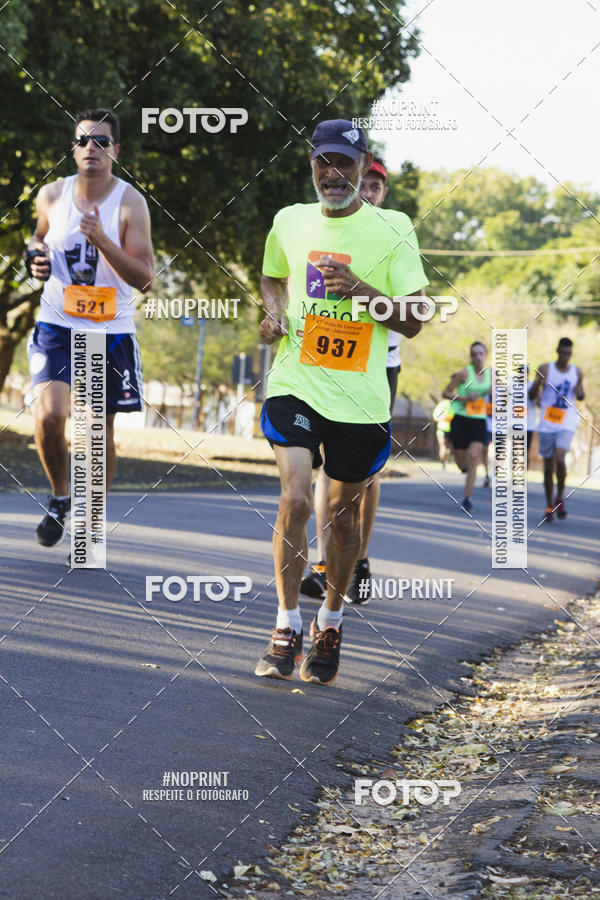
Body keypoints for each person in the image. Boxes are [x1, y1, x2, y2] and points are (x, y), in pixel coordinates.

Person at [255, 119, 428, 684]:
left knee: (341, 517)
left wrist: (362, 291)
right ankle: (285, 624)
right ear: (310, 163)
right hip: (296, 381)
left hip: (360, 398)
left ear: (363, 165)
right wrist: (275, 312)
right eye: (323, 163)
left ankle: (329, 622)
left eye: (344, 164)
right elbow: (272, 276)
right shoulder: (288, 219)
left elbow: (417, 318)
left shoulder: (393, 228)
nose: (332, 174)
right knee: (297, 499)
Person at [26, 108, 154, 550]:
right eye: (83, 141)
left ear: (115, 151)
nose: (90, 149)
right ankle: (61, 495)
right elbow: (38, 237)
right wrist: (35, 256)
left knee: (98, 436)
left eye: (100, 142)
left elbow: (145, 277)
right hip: (57, 323)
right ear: (73, 149)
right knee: (49, 417)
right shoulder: (51, 195)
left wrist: (103, 240)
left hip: (110, 330)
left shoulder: (130, 203)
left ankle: (91, 521)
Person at [299, 156, 400, 606]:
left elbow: (411, 307)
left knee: (366, 473)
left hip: (378, 364)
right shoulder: (327, 227)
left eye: (378, 186)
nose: (370, 192)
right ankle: (325, 558)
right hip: (322, 359)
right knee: (323, 464)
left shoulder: (393, 233)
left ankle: (357, 557)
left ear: (382, 192)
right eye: (368, 184)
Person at [529, 338, 584, 521]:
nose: (565, 356)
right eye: (563, 352)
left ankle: (559, 497)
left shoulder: (576, 372)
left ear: (571, 353)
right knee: (548, 466)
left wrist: (579, 392)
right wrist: (538, 383)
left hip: (566, 422)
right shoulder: (545, 368)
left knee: (560, 458)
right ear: (557, 351)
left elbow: (582, 394)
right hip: (546, 423)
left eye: (569, 353)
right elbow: (532, 396)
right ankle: (549, 504)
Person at [442, 342, 491, 513]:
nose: (478, 357)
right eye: (474, 354)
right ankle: (463, 466)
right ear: (471, 357)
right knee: (463, 463)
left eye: (481, 353)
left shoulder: (490, 375)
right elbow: (445, 392)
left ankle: (467, 498)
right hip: (461, 419)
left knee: (474, 456)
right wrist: (465, 399)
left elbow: (492, 394)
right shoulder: (464, 373)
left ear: (486, 355)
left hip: (479, 420)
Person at [433, 398, 453, 469]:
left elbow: (435, 417)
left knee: (446, 448)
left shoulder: (441, 404)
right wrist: (446, 418)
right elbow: (436, 417)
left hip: (451, 429)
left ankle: (445, 461)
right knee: (444, 447)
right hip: (443, 429)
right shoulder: (444, 404)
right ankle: (444, 462)